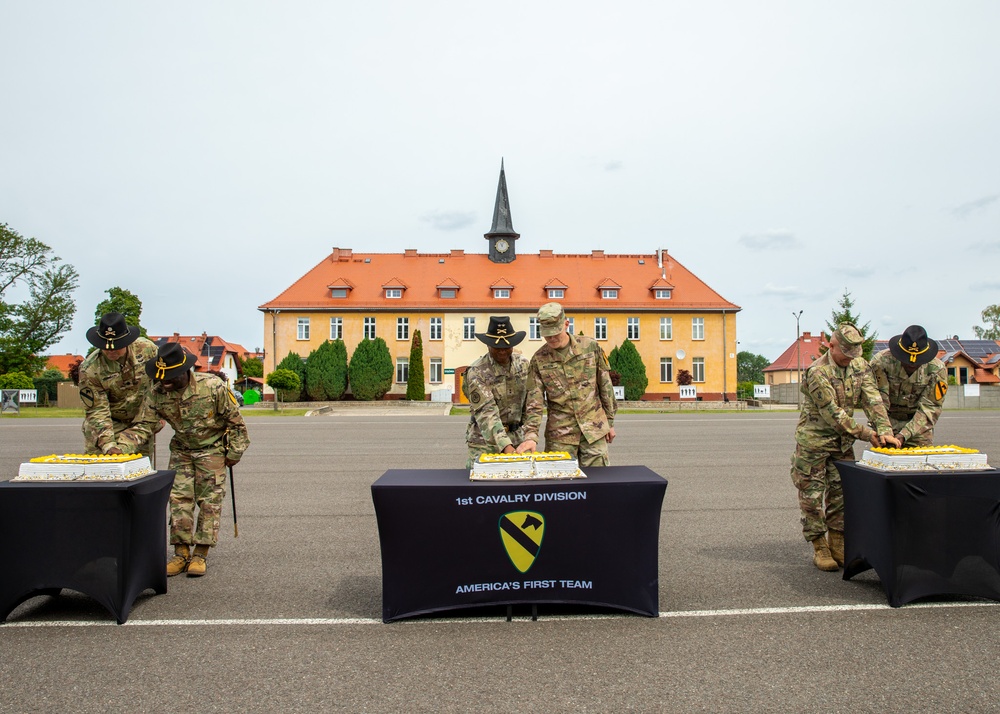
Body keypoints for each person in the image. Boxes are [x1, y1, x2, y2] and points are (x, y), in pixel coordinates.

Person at [119, 342, 249, 578]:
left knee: (209, 502)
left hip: (212, 450)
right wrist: (120, 447)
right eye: (161, 376)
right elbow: (144, 425)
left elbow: (237, 424)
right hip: (181, 451)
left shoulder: (212, 387)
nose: (164, 382)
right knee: (179, 501)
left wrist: (234, 453)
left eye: (169, 377)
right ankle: (180, 553)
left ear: (184, 371)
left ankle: (200, 553)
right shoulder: (157, 392)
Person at [790, 323, 900, 572]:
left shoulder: (859, 365)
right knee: (812, 497)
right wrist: (867, 433)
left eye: (855, 354)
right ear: (831, 345)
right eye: (846, 353)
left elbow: (872, 399)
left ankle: (838, 542)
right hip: (814, 444)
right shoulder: (817, 372)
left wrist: (884, 431)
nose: (850, 359)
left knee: (841, 495)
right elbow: (834, 414)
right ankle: (820, 546)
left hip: (842, 444)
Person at [518, 302, 617, 466]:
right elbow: (534, 403)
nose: (551, 338)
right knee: (561, 485)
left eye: (555, 333)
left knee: (598, 484)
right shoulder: (539, 360)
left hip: (594, 429)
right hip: (560, 436)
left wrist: (609, 422)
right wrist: (531, 436)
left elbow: (606, 387)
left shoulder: (590, 347)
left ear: (566, 324)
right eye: (547, 334)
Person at [78, 312, 159, 456]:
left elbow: (162, 382)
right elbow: (97, 411)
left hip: (141, 423)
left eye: (117, 346)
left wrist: (159, 415)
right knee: (102, 472)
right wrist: (109, 446)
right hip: (107, 425)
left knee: (139, 473)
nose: (111, 351)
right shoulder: (90, 369)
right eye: (106, 347)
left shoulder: (147, 350)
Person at [463, 316, 530, 468]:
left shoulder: (524, 365)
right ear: (487, 345)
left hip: (518, 440)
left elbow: (531, 404)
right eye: (496, 347)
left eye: (506, 346)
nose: (502, 351)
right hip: (484, 444)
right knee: (483, 489)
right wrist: (506, 446)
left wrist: (529, 435)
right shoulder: (476, 372)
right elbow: (487, 413)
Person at [870, 325, 948, 447]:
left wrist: (904, 435)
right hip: (886, 422)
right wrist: (885, 431)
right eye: (906, 360)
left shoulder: (937, 369)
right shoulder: (881, 362)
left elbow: (930, 408)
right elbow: (877, 400)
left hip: (918, 426)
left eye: (918, 361)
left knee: (919, 464)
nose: (912, 365)